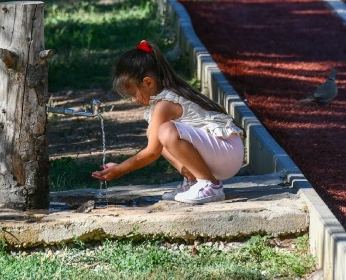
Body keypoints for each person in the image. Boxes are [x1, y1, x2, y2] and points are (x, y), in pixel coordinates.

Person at [91, 40, 245, 205]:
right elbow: (154, 146)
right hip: (223, 153)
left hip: (227, 152)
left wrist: (120, 170)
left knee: (165, 131)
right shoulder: (165, 97)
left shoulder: (165, 104)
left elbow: (151, 153)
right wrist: (121, 166)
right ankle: (194, 180)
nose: (133, 99)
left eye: (133, 93)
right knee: (155, 133)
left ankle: (210, 185)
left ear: (148, 82)